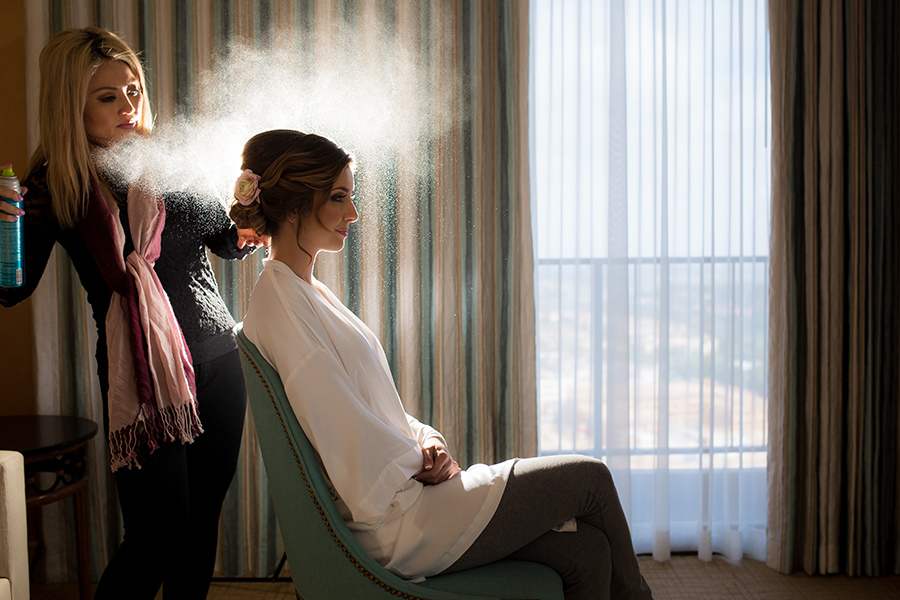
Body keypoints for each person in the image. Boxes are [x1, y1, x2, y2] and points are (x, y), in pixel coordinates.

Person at [231, 129, 654, 600]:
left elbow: (372, 409)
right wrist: (419, 461)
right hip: (401, 524)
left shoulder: (306, 293)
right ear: (292, 206)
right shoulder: (281, 305)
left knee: (589, 552)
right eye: (338, 197)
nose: (353, 213)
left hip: (411, 498)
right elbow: (343, 429)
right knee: (590, 478)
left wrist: (427, 440)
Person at [0, 27, 263, 599]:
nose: (128, 105)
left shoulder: (165, 159)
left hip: (219, 364)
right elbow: (10, 291)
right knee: (157, 533)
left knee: (198, 529)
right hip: (139, 381)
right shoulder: (55, 185)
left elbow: (224, 240)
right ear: (73, 104)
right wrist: (4, 230)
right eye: (107, 96)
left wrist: (249, 215)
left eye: (134, 90)